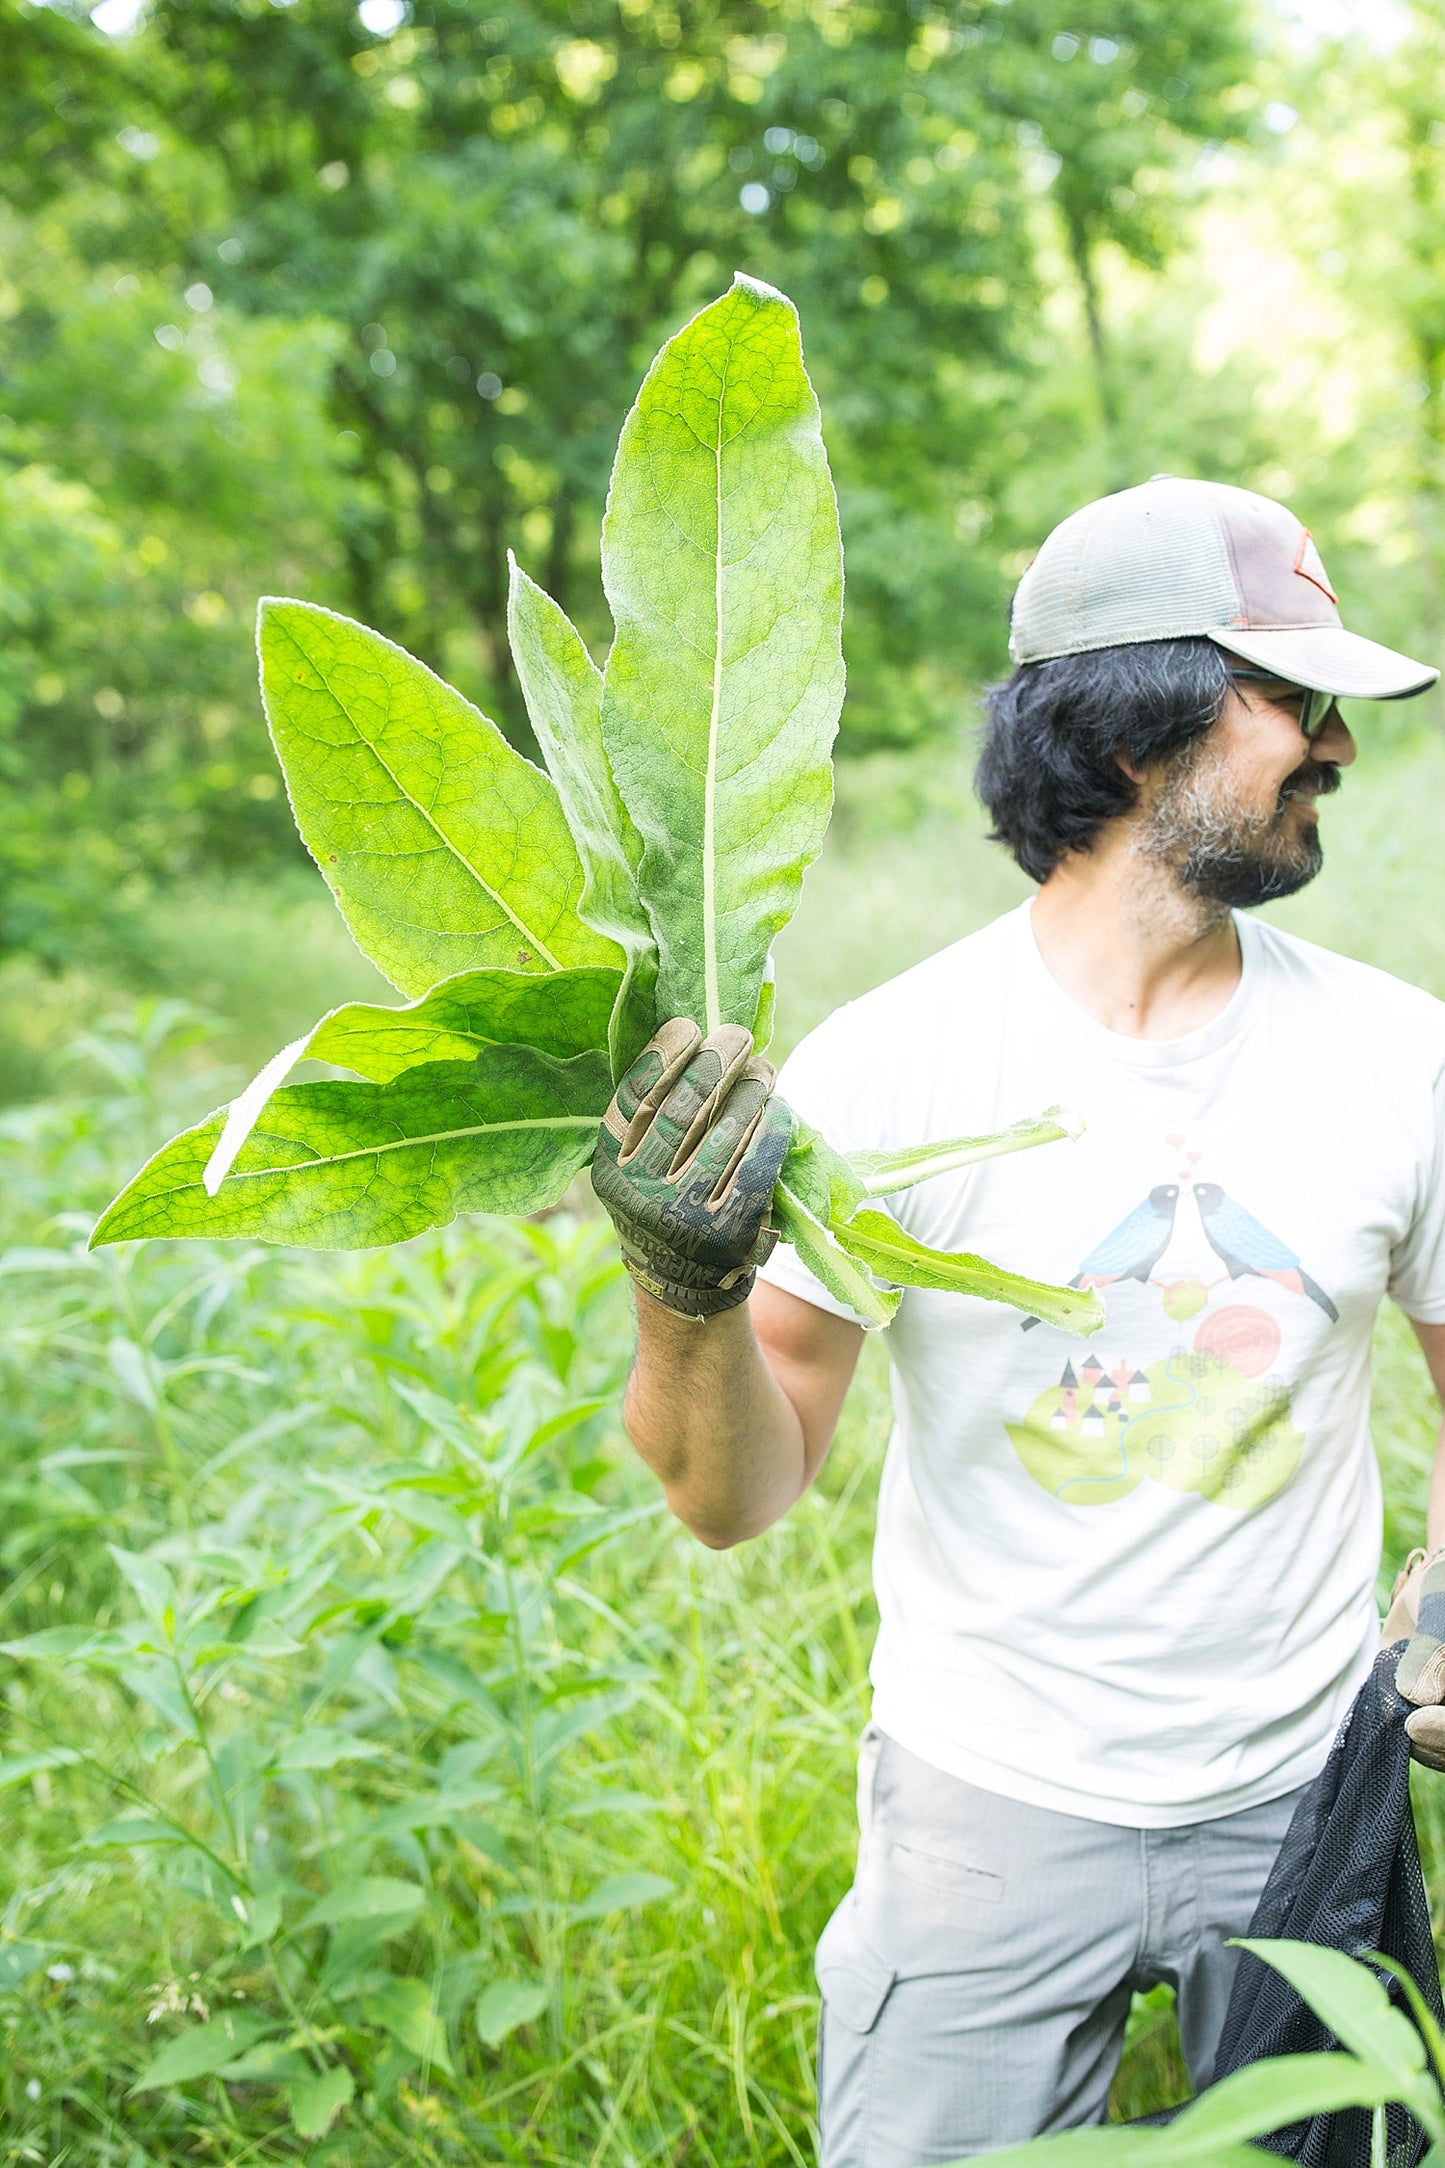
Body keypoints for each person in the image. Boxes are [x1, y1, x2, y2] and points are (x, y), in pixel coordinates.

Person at [590, 476, 1445, 2163]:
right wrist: (684, 1297)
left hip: (1303, 1798)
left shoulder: (1402, 1055)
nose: (1336, 745)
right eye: (1292, 700)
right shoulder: (889, 1070)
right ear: (1133, 733)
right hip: (981, 1818)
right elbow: (729, 1498)